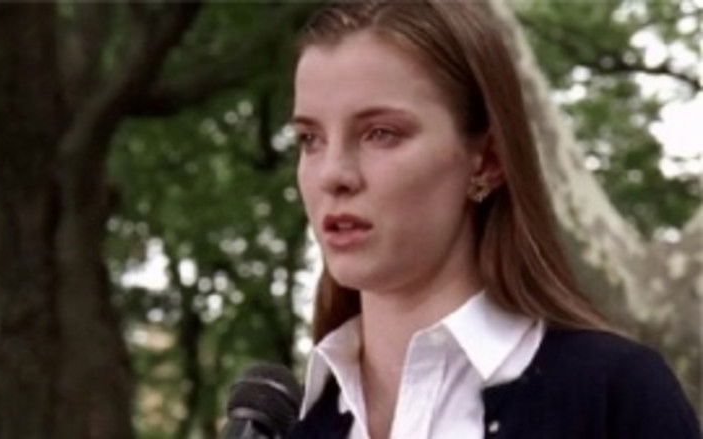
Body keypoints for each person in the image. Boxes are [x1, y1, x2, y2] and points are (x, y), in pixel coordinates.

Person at [286, 1, 701, 438]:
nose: (332, 174)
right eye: (310, 139)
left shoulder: (613, 395)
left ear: (487, 160)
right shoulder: (290, 426)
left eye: (381, 134)